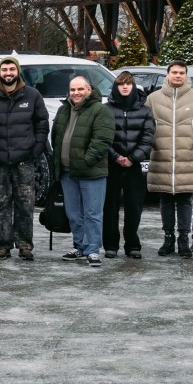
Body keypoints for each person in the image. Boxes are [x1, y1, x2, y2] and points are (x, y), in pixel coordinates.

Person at [0, 57, 51, 261]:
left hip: (24, 162)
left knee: (25, 205)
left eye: (12, 69)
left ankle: (25, 245)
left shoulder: (32, 95)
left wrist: (35, 150)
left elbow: (42, 124)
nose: (8, 73)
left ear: (17, 71)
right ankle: (3, 246)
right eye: (4, 69)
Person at [145, 60, 193, 259]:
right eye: (174, 72)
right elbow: (145, 124)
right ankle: (168, 238)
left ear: (186, 75)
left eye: (181, 73)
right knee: (165, 200)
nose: (178, 76)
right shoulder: (153, 98)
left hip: (188, 159)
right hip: (162, 157)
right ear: (167, 74)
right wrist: (151, 141)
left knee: (185, 201)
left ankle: (184, 239)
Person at [50, 74, 115, 267]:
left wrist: (87, 161)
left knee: (92, 214)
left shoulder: (100, 110)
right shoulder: (63, 109)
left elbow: (102, 140)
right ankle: (79, 246)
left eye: (80, 89)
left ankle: (93, 250)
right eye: (72, 89)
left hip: (91, 172)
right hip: (67, 172)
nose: (76, 93)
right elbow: (55, 137)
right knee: (73, 213)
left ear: (89, 90)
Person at [102, 70, 154, 259]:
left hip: (134, 166)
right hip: (111, 165)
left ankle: (132, 244)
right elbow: (102, 137)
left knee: (134, 207)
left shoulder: (145, 111)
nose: (124, 87)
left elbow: (148, 139)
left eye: (128, 84)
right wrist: (116, 157)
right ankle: (110, 244)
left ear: (133, 87)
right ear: (115, 87)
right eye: (120, 84)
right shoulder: (106, 109)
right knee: (110, 207)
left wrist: (132, 158)